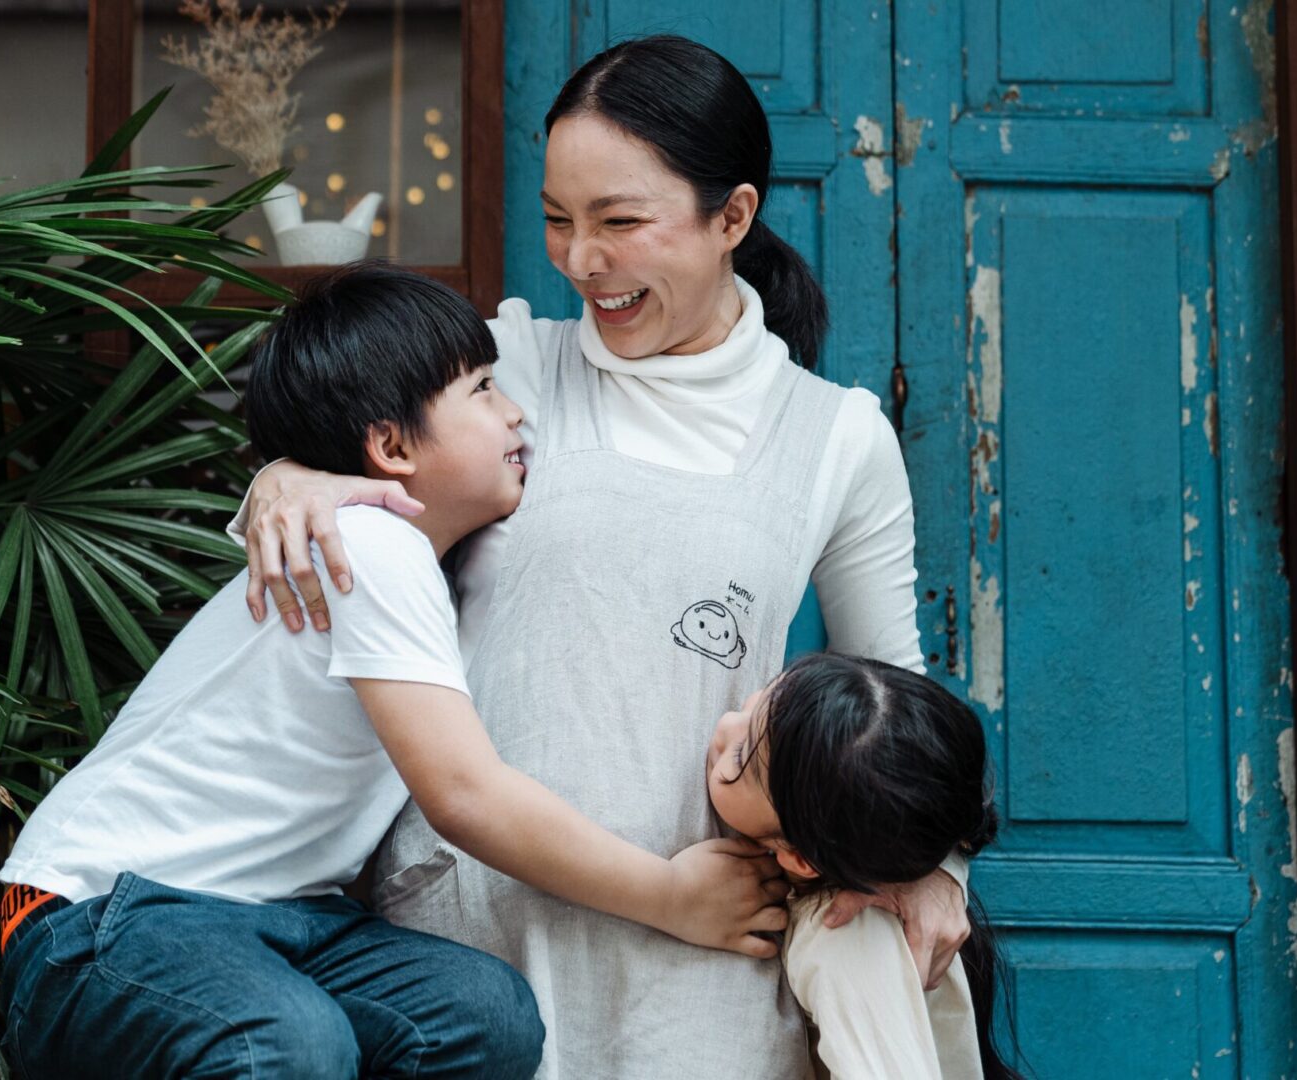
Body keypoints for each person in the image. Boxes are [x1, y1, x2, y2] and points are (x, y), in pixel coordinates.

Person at [234, 35, 973, 1079]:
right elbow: (340, 487)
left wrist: (932, 870)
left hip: (700, 958)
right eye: (557, 220)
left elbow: (895, 700)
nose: (581, 259)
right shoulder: (503, 367)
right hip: (463, 946)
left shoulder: (835, 436)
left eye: (620, 222)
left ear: (733, 218)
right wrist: (288, 478)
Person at [0, 263, 785, 1079]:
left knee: (483, 1017)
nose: (516, 412)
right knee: (285, 1044)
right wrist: (669, 897)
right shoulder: (371, 549)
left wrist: (285, 473)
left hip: (282, 921)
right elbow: (465, 796)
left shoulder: (426, 561)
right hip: (99, 916)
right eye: (483, 389)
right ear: (392, 446)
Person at [707, 653, 1024, 1080]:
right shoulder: (855, 890)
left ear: (800, 857)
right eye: (754, 703)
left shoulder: (845, 935)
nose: (726, 723)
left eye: (741, 757)